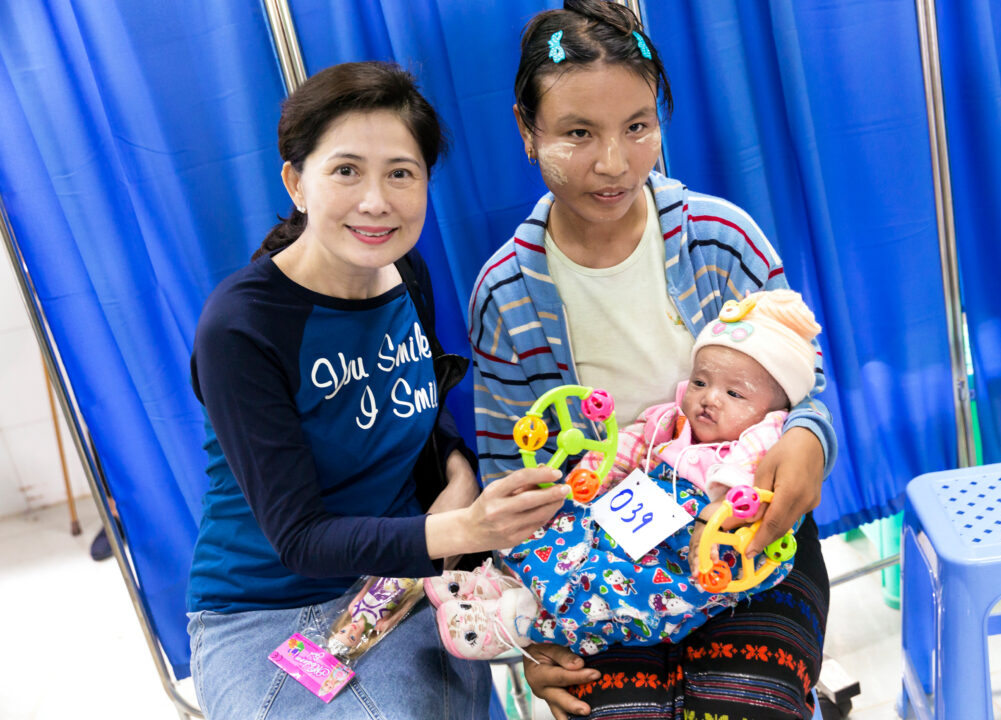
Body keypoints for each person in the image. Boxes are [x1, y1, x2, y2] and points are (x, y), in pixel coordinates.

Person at [468, 2, 837, 718]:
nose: (614, 163)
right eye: (578, 133)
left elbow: (808, 390)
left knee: (746, 707)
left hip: (741, 543)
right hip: (595, 569)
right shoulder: (508, 294)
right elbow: (507, 481)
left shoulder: (722, 239)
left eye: (638, 126)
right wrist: (532, 635)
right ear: (525, 128)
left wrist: (805, 441)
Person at [185, 61, 568, 720]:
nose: (376, 200)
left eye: (401, 172)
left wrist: (455, 469)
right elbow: (300, 538)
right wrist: (457, 526)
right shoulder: (242, 326)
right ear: (295, 182)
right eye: (345, 170)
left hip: (409, 581)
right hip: (261, 608)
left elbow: (418, 401)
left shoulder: (404, 272)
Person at [431, 289, 821, 661]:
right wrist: (592, 477)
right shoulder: (674, 422)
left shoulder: (765, 438)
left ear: (775, 408)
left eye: (734, 394)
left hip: (696, 552)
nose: (709, 397)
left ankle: (523, 619)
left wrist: (711, 516)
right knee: (565, 527)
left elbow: (748, 487)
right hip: (635, 520)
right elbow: (631, 446)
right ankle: (504, 582)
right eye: (701, 382)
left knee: (621, 593)